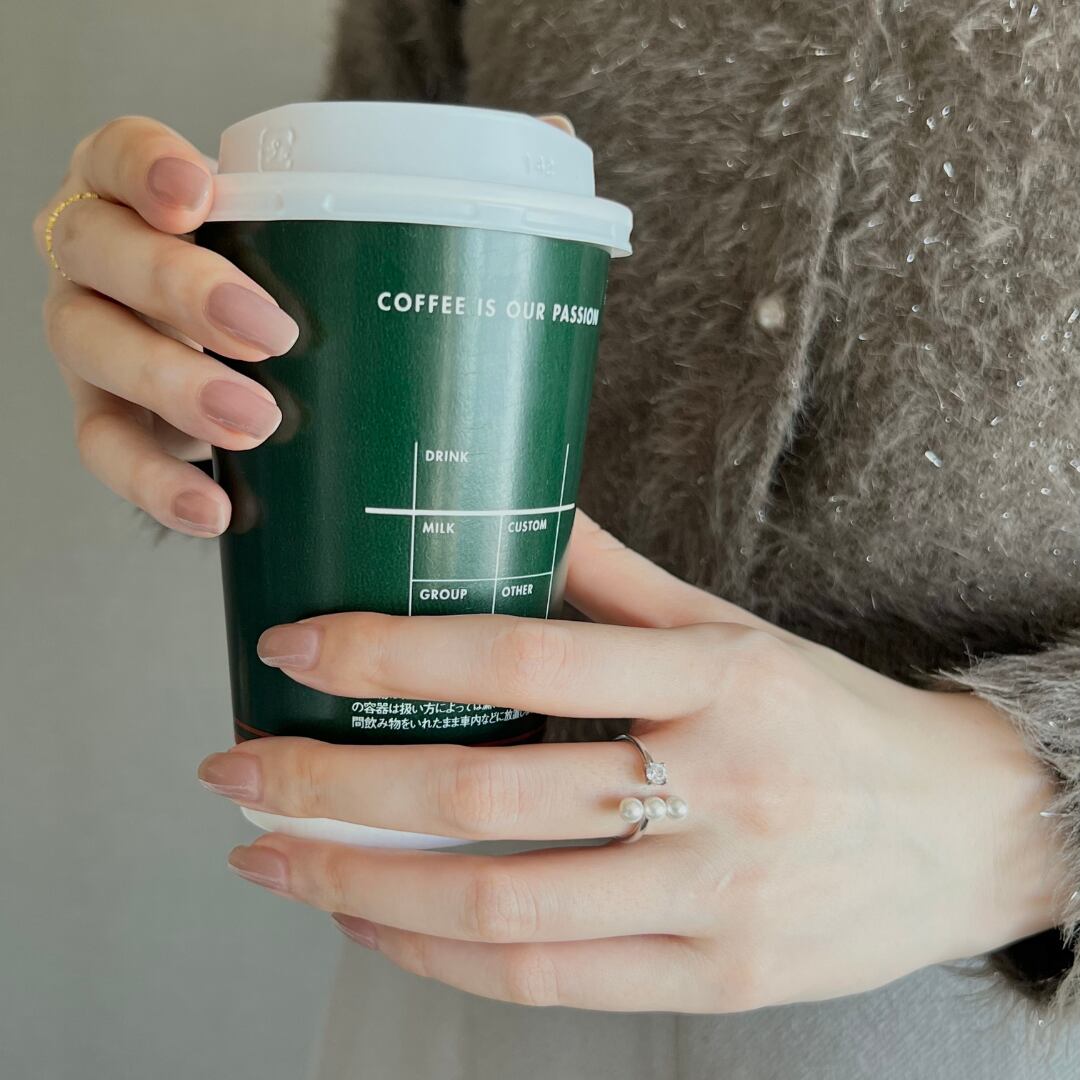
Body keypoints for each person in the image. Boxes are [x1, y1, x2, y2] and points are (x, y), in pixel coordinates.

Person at [31, 0, 1080, 1076]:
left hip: (989, 981)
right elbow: (352, 259)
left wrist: (1028, 817)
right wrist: (184, 349)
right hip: (469, 906)